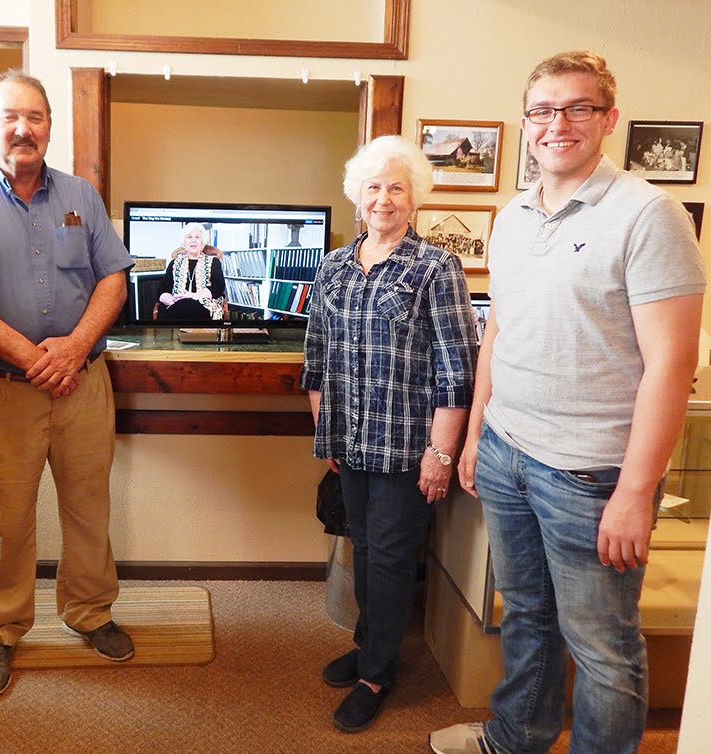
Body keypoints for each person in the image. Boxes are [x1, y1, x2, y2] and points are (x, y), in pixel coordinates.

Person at [430, 51, 705, 754]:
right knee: (525, 615)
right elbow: (499, 329)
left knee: (604, 649)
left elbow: (673, 365)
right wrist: (475, 436)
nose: (560, 123)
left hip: (589, 475)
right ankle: (516, 736)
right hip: (506, 453)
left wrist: (636, 492)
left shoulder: (650, 215)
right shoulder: (514, 213)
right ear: (526, 123)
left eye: (578, 107)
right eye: (544, 110)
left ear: (608, 119)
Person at [0, 69, 135, 699]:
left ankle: (90, 612)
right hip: (2, 392)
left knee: (89, 507)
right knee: (2, 520)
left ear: (49, 126)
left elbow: (113, 280)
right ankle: (0, 629)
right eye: (10, 117)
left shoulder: (80, 195)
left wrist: (70, 351)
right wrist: (35, 357)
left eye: (35, 117)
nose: (23, 128)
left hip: (83, 385)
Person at [301, 135, 478, 733]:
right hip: (350, 442)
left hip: (407, 448)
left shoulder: (436, 267)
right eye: (374, 187)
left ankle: (378, 672)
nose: (384, 198)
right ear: (358, 195)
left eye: (396, 187)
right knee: (365, 550)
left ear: (414, 197)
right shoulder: (332, 266)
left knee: (392, 560)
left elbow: (458, 369)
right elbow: (316, 357)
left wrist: (440, 453)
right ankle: (368, 642)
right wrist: (325, 431)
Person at [157, 222, 226, 320]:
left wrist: (194, 296)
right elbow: (163, 289)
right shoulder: (174, 263)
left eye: (197, 237)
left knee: (188, 305)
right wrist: (172, 301)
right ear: (184, 242)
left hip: (202, 306)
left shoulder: (213, 262)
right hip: (176, 305)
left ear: (202, 242)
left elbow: (219, 287)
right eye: (189, 237)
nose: (193, 240)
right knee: (181, 307)